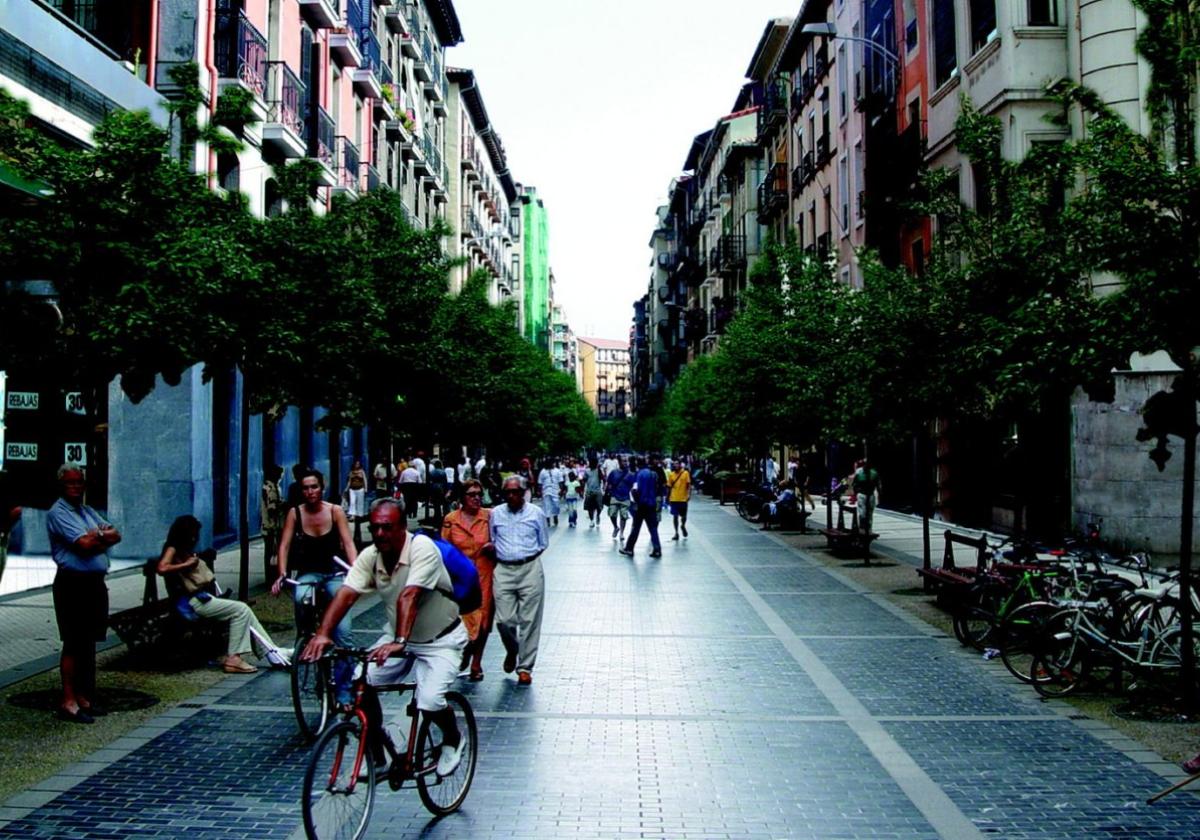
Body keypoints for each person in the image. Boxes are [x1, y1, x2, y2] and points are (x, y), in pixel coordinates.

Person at [302, 498, 468, 776]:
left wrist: (399, 642)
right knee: (360, 681)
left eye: (387, 528)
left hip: (442, 640)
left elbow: (410, 595)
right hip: (399, 638)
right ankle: (377, 756)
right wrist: (322, 634)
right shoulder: (371, 556)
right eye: (375, 528)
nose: (380, 534)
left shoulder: (422, 549)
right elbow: (346, 593)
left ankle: (453, 738)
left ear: (403, 526)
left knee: (428, 700)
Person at [157, 515, 287, 674]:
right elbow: (162, 568)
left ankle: (272, 651)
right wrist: (187, 564)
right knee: (241, 610)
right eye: (194, 534)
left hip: (199, 597)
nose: (195, 538)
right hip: (192, 602)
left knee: (246, 613)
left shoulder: (181, 548)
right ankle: (233, 658)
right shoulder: (172, 547)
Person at [273, 468, 359, 707]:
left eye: (314, 487)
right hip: (308, 573)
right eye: (305, 488)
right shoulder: (295, 514)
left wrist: (356, 570)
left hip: (334, 572)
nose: (310, 492)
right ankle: (305, 635)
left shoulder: (335, 511)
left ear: (322, 488)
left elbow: (348, 543)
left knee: (344, 634)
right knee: (301, 597)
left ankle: (344, 691)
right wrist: (281, 573)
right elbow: (284, 545)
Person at [46, 464, 120, 724]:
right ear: (62, 485)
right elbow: (85, 545)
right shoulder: (59, 512)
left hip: (94, 584)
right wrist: (100, 537)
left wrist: (98, 533)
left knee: (88, 643)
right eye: (70, 482)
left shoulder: (87, 511)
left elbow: (116, 534)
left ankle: (84, 696)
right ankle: (68, 700)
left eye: (79, 482)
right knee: (74, 642)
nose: (76, 487)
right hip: (72, 584)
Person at [491, 476, 550, 685]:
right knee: (504, 620)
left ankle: (525, 667)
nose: (511, 496)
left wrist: (527, 556)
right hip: (504, 568)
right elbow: (492, 538)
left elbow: (543, 542)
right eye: (507, 492)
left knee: (530, 620)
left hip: (530, 567)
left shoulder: (536, 513)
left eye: (515, 492)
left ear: (523, 492)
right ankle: (512, 649)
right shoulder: (496, 514)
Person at [441, 479, 494, 681]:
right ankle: (463, 653)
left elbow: (500, 539)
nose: (476, 498)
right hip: (460, 578)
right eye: (471, 494)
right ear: (462, 497)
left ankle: (476, 663)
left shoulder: (489, 517)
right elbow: (443, 549)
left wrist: (493, 547)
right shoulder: (451, 519)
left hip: (484, 574)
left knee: (483, 621)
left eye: (479, 494)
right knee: (462, 619)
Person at [618, 458, 662, 558]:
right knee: (653, 528)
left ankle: (629, 548)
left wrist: (635, 502)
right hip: (651, 503)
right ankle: (657, 549)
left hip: (642, 504)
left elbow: (635, 490)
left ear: (637, 464)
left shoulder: (639, 475)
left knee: (636, 527)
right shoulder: (653, 474)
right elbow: (656, 487)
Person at [260, 464, 285, 580]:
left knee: (270, 552)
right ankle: (272, 577)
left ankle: (270, 576)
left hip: (268, 526)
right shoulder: (272, 489)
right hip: (272, 526)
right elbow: (272, 509)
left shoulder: (268, 486)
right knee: (273, 552)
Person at [605, 457, 634, 541]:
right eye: (624, 461)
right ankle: (615, 527)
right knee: (612, 513)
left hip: (625, 497)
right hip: (614, 496)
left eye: (626, 461)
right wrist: (608, 491)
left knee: (623, 516)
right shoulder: (613, 473)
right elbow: (609, 484)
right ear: (619, 462)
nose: (625, 463)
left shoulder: (630, 474)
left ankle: (621, 533)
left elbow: (632, 487)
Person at [851, 458, 881, 534]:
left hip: (870, 494)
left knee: (869, 513)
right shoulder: (859, 472)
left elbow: (878, 485)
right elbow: (854, 484)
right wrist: (855, 494)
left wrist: (879, 495)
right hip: (862, 494)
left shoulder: (874, 473)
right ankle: (862, 528)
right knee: (862, 513)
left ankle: (868, 528)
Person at [667, 459, 692, 540]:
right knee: (675, 516)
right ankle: (676, 533)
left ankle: (683, 525)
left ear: (680, 465)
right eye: (674, 464)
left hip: (683, 499)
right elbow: (669, 487)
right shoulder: (671, 475)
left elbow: (688, 485)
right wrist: (667, 498)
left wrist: (688, 495)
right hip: (674, 498)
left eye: (677, 464)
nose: (675, 465)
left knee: (684, 516)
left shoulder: (685, 473)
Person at [537, 459, 561, 527]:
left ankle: (555, 516)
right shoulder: (543, 471)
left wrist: (562, 490)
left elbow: (560, 481)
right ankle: (547, 520)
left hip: (555, 490)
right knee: (546, 506)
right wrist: (539, 491)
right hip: (546, 491)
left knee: (556, 505)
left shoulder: (557, 471)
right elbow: (540, 482)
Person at [582, 457, 604, 529]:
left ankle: (598, 515)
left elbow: (603, 478)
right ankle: (592, 520)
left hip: (597, 491)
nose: (592, 465)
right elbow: (584, 480)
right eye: (591, 463)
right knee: (589, 507)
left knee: (599, 506)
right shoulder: (587, 471)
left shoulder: (599, 470)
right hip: (589, 491)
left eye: (594, 463)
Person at [427, 459, 450, 524]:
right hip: (441, 488)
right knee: (443, 502)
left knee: (436, 504)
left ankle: (437, 515)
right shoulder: (443, 472)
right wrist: (446, 490)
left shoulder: (431, 472)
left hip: (433, 488)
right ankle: (444, 515)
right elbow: (445, 482)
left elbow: (429, 482)